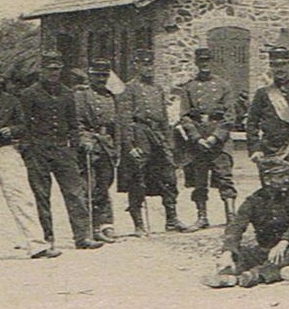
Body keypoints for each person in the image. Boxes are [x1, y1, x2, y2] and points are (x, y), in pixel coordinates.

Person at [0, 62, 58, 261]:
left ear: (2, 79)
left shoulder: (13, 101)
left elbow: (24, 125)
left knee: (21, 196)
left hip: (7, 151)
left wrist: (13, 130)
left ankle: (36, 244)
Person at [19, 52, 99, 251]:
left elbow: (73, 123)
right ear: (41, 71)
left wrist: (73, 147)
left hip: (63, 150)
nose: (53, 73)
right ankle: (47, 239)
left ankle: (82, 236)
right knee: (42, 195)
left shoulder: (67, 93)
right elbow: (23, 124)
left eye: (56, 69)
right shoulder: (29, 94)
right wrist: (28, 150)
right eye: (49, 69)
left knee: (75, 192)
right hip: (38, 151)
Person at [202, 158, 289, 288]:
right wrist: (228, 252)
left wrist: (284, 242)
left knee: (281, 259)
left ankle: (248, 277)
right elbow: (236, 226)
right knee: (242, 254)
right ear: (267, 180)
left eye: (287, 176)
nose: (286, 180)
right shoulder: (254, 201)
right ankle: (228, 273)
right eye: (281, 177)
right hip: (265, 248)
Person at [117, 48, 189, 234]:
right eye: (144, 64)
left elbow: (164, 119)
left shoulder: (157, 89)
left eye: (150, 64)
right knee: (138, 178)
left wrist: (169, 143)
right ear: (136, 65)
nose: (148, 68)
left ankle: (172, 219)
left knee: (168, 177)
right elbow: (124, 121)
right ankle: (138, 223)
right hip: (140, 135)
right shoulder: (129, 89)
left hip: (158, 136)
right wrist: (130, 145)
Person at [244, 45, 289, 214]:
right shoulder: (263, 94)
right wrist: (255, 149)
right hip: (271, 151)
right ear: (271, 66)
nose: (280, 68)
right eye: (276, 64)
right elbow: (252, 123)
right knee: (273, 198)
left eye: (283, 64)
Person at [174, 46, 238, 228]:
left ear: (212, 62)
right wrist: (196, 137)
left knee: (225, 177)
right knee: (199, 180)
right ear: (196, 63)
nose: (204, 65)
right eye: (201, 61)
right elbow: (184, 116)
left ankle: (231, 217)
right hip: (198, 139)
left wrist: (215, 137)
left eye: (207, 61)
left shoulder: (224, 85)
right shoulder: (189, 87)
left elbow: (230, 116)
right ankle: (202, 217)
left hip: (219, 140)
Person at [76, 59, 120, 242]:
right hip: (90, 144)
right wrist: (84, 139)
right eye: (97, 75)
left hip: (107, 144)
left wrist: (116, 146)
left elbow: (116, 125)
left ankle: (106, 224)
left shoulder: (111, 97)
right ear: (90, 75)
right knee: (89, 185)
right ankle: (91, 226)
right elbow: (77, 121)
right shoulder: (81, 95)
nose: (101, 79)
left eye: (104, 76)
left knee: (105, 183)